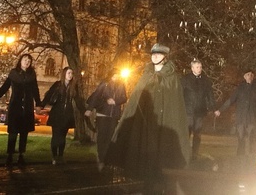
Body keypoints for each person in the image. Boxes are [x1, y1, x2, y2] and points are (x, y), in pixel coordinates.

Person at [106, 43, 190, 189]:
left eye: (158, 54)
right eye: (153, 54)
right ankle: (147, 177)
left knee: (160, 150)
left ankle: (160, 178)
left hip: (164, 121)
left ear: (165, 57)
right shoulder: (146, 75)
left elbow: (174, 103)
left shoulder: (172, 78)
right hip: (147, 120)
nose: (155, 56)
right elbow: (137, 98)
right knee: (147, 149)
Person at [0, 53, 41, 167]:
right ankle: (9, 155)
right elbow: (5, 87)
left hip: (27, 106)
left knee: (24, 133)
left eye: (29, 61)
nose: (27, 62)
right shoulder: (14, 73)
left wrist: (38, 103)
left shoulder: (32, 74)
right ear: (20, 61)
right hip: (15, 106)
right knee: (13, 132)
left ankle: (21, 155)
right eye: (25, 60)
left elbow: (35, 90)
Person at [215, 69, 256, 157]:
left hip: (252, 119)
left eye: (252, 75)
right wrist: (220, 110)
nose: (250, 76)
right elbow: (230, 100)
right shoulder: (240, 89)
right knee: (241, 140)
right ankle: (240, 159)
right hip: (241, 118)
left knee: (252, 140)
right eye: (248, 74)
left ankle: (251, 160)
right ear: (244, 76)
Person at [42, 66, 85, 165]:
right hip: (57, 113)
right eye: (69, 73)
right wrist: (41, 106)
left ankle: (60, 156)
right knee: (55, 136)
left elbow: (78, 99)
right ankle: (54, 156)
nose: (70, 75)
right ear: (64, 74)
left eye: (71, 73)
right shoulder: (57, 85)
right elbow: (48, 96)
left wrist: (84, 110)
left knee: (62, 137)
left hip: (67, 114)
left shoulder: (74, 87)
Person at [85, 68, 127, 169]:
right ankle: (101, 157)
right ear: (111, 75)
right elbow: (95, 96)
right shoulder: (104, 84)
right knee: (102, 137)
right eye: (115, 75)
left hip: (114, 115)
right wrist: (89, 109)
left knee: (110, 138)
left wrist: (115, 101)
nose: (116, 77)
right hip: (102, 114)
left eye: (118, 75)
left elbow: (124, 98)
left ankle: (105, 158)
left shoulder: (121, 85)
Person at [182, 59, 216, 160]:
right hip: (188, 111)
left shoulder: (205, 80)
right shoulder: (185, 79)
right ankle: (185, 153)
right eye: (197, 67)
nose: (199, 69)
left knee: (197, 134)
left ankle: (195, 154)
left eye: (200, 67)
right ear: (192, 68)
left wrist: (213, 108)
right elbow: (180, 94)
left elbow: (210, 95)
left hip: (200, 111)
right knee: (187, 132)